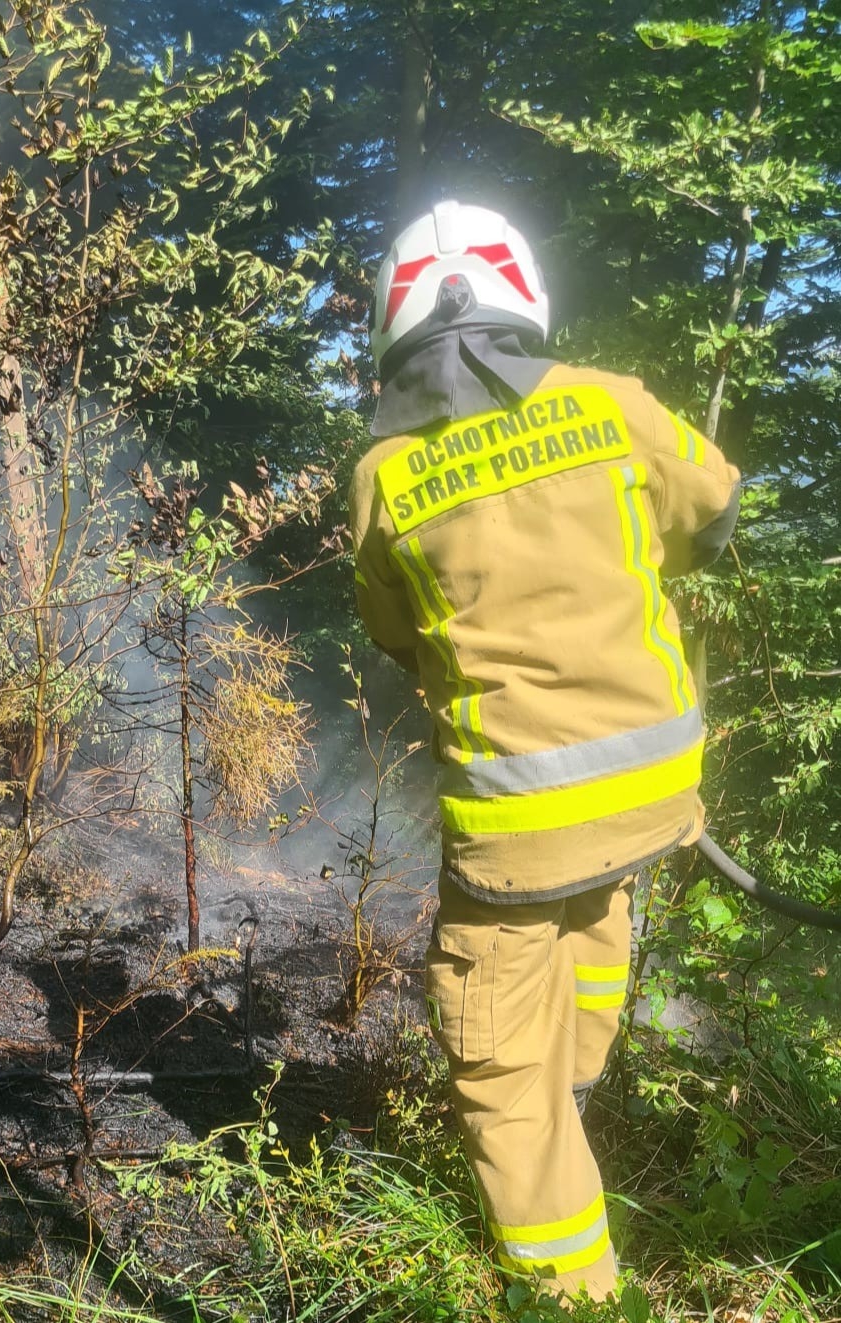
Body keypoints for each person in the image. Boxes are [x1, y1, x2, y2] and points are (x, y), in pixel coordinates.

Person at [347, 200, 741, 1301]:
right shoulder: (614, 406)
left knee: (494, 1059)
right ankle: (579, 1096)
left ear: (396, 328)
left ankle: (574, 1292)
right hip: (659, 787)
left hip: (518, 821)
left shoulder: (384, 474)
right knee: (593, 900)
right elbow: (713, 513)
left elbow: (392, 633)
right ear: (522, 298)